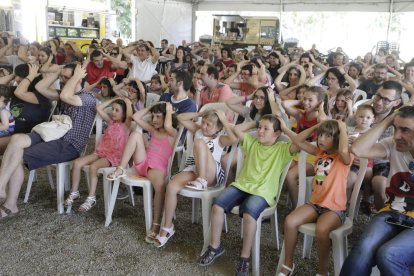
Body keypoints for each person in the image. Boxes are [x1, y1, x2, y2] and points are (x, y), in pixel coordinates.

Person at [198, 115, 298, 275]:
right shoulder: (252, 142)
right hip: (242, 185)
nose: (260, 131)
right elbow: (237, 129)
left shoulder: (282, 149)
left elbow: (299, 143)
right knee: (217, 205)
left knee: (249, 215)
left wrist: (285, 129)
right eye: (260, 128)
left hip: (263, 193)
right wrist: (256, 122)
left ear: (277, 133)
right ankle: (215, 247)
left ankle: (244, 258)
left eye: (266, 129)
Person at [0, 64, 96, 218]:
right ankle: (1, 185)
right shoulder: (63, 92)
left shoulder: (88, 97)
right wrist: (58, 72)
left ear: (78, 78)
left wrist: (76, 76)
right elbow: (40, 86)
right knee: (16, 140)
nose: (63, 80)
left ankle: (10, 205)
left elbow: (66, 96)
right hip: (51, 133)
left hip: (69, 144)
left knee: (17, 155)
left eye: (66, 77)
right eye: (62, 78)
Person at [340, 106, 414, 276]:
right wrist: (389, 120)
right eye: (395, 128)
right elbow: (358, 150)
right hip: (392, 212)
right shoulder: (393, 145)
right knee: (363, 249)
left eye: (405, 130)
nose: (396, 136)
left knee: (388, 254)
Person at [279, 119, 352, 276]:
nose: (321, 139)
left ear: (338, 139)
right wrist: (316, 126)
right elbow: (298, 140)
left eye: (327, 136)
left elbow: (344, 151)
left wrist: (342, 128)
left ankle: (323, 271)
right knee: (290, 221)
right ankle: (288, 264)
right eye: (320, 135)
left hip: (335, 209)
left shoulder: (344, 157)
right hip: (315, 204)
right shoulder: (319, 153)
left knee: (322, 229)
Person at [154, 109, 237, 247]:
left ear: (218, 128)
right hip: (194, 169)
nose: (204, 126)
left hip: (212, 174)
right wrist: (199, 115)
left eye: (208, 124)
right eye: (203, 123)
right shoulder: (198, 130)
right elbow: (180, 118)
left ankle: (202, 180)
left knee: (199, 143)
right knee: (171, 186)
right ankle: (167, 227)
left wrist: (224, 121)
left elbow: (234, 139)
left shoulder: (220, 139)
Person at [107, 102, 178, 243]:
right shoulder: (153, 129)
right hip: (143, 162)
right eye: (153, 116)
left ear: (167, 117)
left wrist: (168, 110)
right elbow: (136, 116)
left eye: (158, 117)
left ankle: (156, 223)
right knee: (135, 135)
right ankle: (121, 168)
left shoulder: (172, 133)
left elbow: (169, 125)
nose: (154, 120)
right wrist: (153, 107)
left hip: (157, 168)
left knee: (160, 187)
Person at [64, 97, 132, 212]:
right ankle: (74, 192)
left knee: (94, 166)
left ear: (124, 113)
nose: (113, 112)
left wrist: (127, 101)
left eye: (117, 110)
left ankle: (91, 197)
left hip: (113, 157)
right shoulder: (111, 122)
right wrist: (115, 99)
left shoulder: (126, 125)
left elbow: (130, 114)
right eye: (113, 109)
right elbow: (98, 108)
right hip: (100, 152)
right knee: (77, 163)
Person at [346, 104, 375, 197]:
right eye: (361, 116)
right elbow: (344, 146)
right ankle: (346, 200)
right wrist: (346, 140)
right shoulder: (351, 130)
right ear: (356, 118)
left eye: (368, 117)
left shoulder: (373, 133)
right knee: (349, 180)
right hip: (351, 161)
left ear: (373, 119)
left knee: (367, 179)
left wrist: (358, 142)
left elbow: (373, 149)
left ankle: (366, 199)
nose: (364, 119)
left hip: (366, 162)